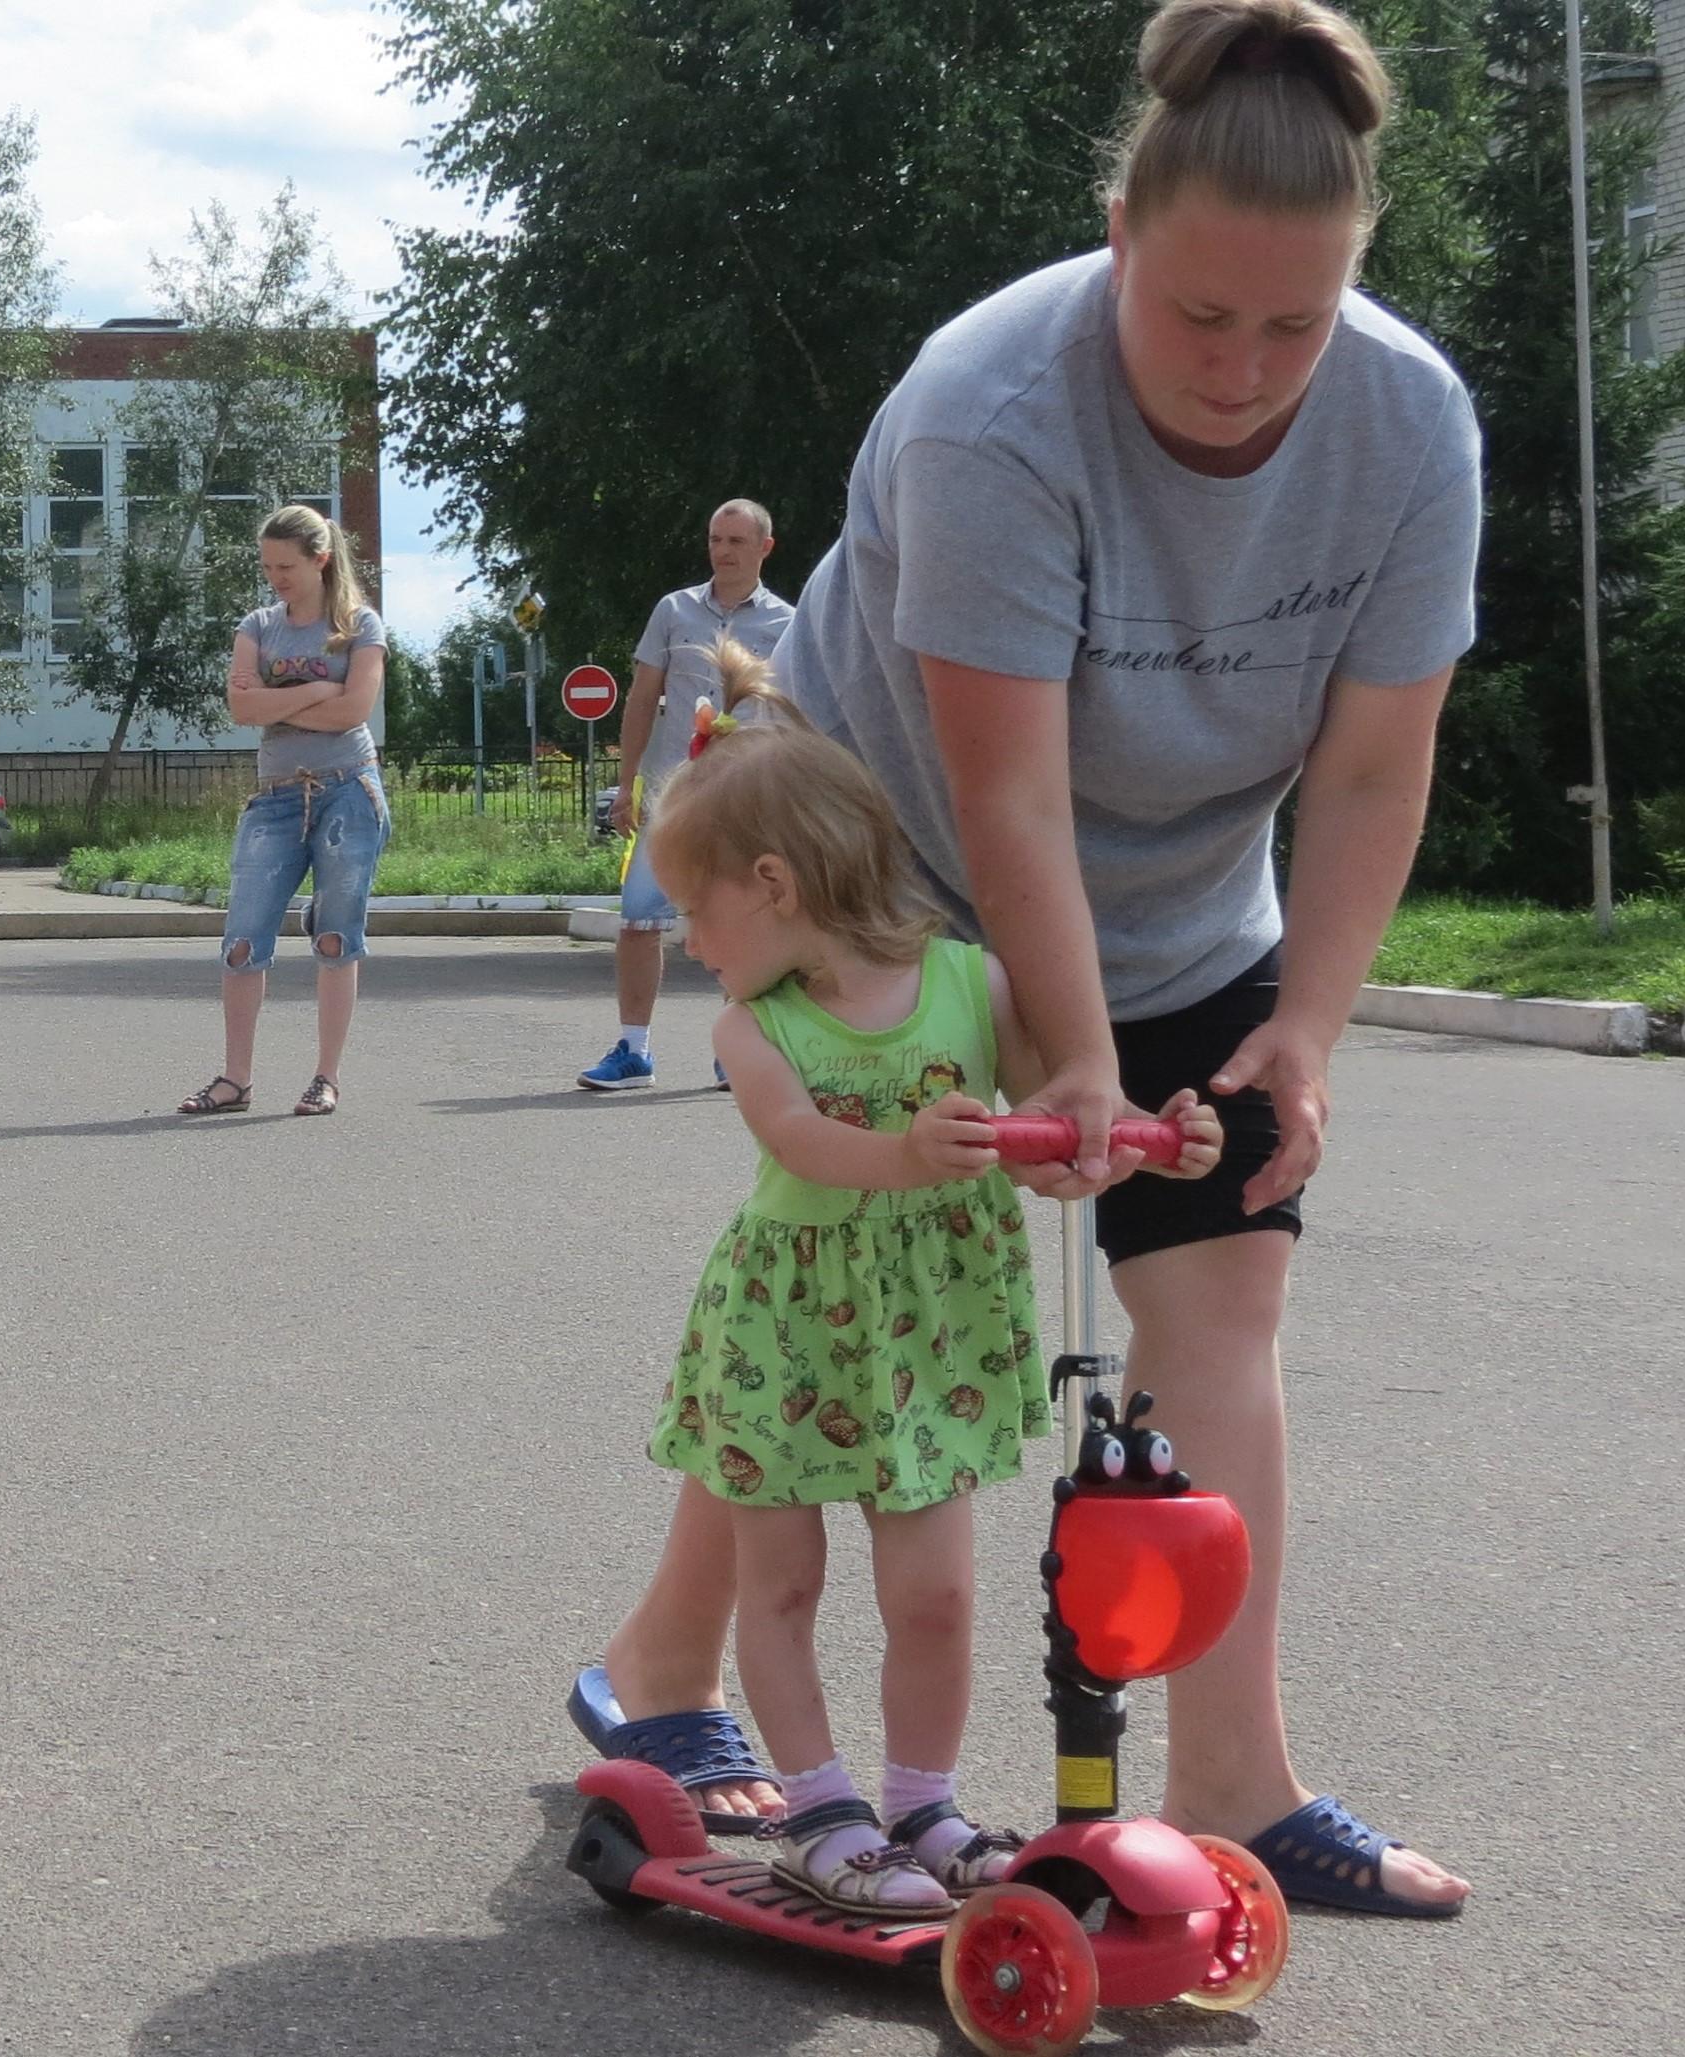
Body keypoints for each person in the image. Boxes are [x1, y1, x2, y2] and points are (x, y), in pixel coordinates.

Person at [577, 0, 1484, 1917]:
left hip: (1191, 896)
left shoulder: (1409, 424)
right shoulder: (994, 404)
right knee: (852, 1277)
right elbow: (1011, 799)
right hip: (907, 867)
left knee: (1221, 1300)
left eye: (1293, 328)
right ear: (1119, 236)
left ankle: (1241, 1781)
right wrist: (1070, 1063)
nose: (1243, 374)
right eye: (1198, 318)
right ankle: (667, 1676)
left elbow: (1382, 756)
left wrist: (1304, 1027)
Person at [631, 646, 1220, 1912]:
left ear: (774, 885)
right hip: (784, 1328)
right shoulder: (757, 1027)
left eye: (696, 907)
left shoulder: (971, 981)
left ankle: (921, 1801)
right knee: (781, 1578)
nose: (686, 942)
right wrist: (909, 1150)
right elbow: (800, 1143)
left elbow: (1048, 1132)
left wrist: (1138, 1147)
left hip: (932, 1329)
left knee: (937, 1593)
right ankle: (823, 1803)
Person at [177, 505, 387, 1121]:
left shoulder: (359, 625)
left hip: (348, 789)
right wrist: (319, 690)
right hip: (273, 798)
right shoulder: (259, 624)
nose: (276, 578)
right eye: (268, 566)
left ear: (321, 560)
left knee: (335, 935)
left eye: (287, 566)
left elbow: (354, 714)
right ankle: (235, 1080)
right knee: (242, 939)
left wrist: (278, 702)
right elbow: (241, 710)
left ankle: (325, 1077)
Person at [578, 499, 796, 1091]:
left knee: (744, 919)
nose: (722, 551)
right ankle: (633, 1050)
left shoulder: (788, 623)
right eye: (715, 539)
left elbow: (795, 713)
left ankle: (737, 1050)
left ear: (764, 548)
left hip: (746, 796)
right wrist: (626, 784)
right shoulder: (674, 610)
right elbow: (643, 697)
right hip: (674, 795)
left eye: (735, 541)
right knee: (639, 916)